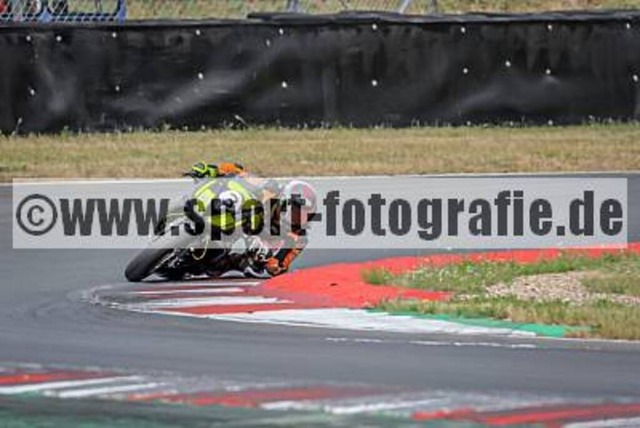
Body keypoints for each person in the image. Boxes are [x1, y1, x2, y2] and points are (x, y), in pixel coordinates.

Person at [185, 161, 316, 278]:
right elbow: (242, 174)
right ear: (284, 202)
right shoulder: (271, 189)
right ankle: (199, 207)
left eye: (306, 216)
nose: (299, 219)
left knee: (225, 267)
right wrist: (215, 170)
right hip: (237, 216)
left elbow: (280, 266)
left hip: (249, 247)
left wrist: (269, 259)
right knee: (231, 192)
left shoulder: (299, 238)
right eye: (296, 212)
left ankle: (205, 262)